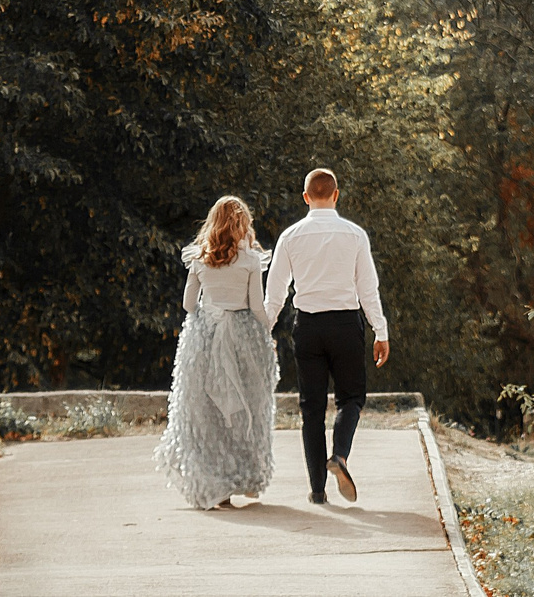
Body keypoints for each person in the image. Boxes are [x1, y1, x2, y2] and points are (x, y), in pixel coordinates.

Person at [262, 167, 389, 505]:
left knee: (312, 408)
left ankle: (317, 490)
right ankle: (340, 455)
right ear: (336, 195)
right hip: (346, 325)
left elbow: (275, 294)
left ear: (306, 197)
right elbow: (368, 288)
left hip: (308, 327)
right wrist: (380, 331)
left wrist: (262, 332)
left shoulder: (290, 236)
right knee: (351, 399)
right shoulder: (355, 235)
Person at [155, 195, 277, 509]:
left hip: (203, 337)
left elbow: (187, 304)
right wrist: (268, 332)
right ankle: (241, 475)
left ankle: (214, 485)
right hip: (241, 338)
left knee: (204, 411)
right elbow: (256, 306)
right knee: (241, 409)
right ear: (242, 224)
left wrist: (210, 310)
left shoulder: (200, 257)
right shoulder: (250, 261)